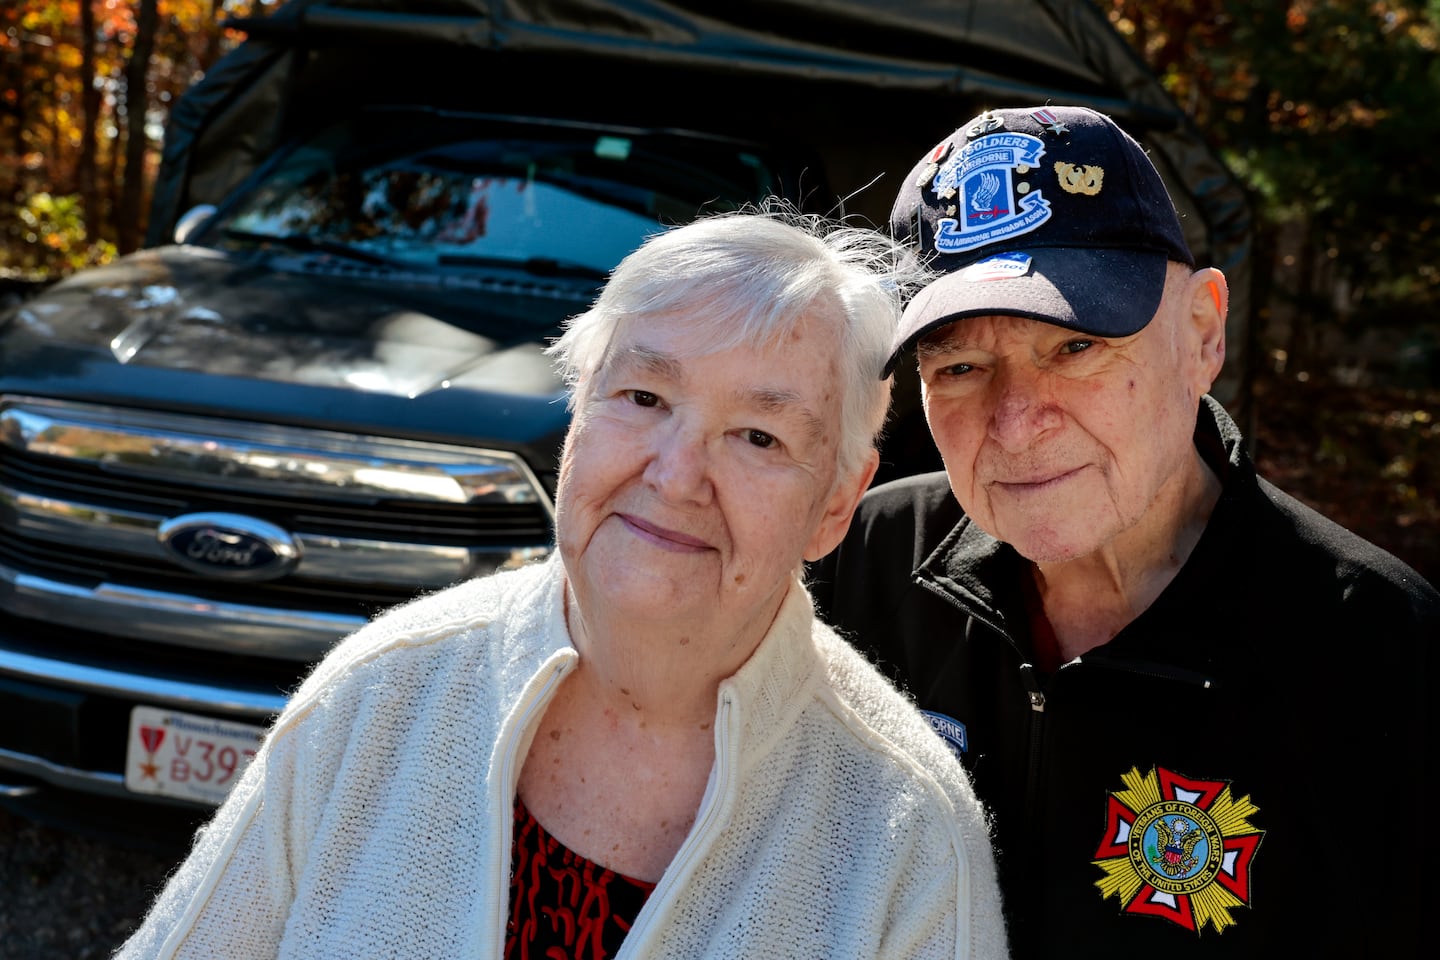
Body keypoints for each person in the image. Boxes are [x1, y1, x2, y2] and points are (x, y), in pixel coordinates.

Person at [115, 207, 1009, 960]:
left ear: (835, 505)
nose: (674, 473)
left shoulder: (908, 838)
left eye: (760, 438)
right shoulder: (377, 694)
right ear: (578, 412)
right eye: (645, 400)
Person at [810, 105, 1436, 957]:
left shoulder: (1377, 651)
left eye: (1076, 347)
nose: (1018, 422)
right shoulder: (856, 563)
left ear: (1202, 333)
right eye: (960, 366)